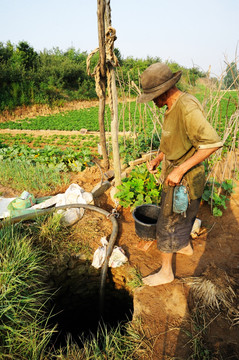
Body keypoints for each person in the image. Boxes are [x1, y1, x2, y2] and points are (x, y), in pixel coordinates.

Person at [137, 63, 223, 286]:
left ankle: (166, 273)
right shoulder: (171, 107)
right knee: (184, 217)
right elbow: (171, 141)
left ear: (166, 89)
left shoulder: (187, 107)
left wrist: (180, 170)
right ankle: (184, 246)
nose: (153, 101)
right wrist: (158, 158)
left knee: (166, 224)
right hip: (175, 175)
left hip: (184, 180)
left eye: (154, 96)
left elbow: (212, 143)